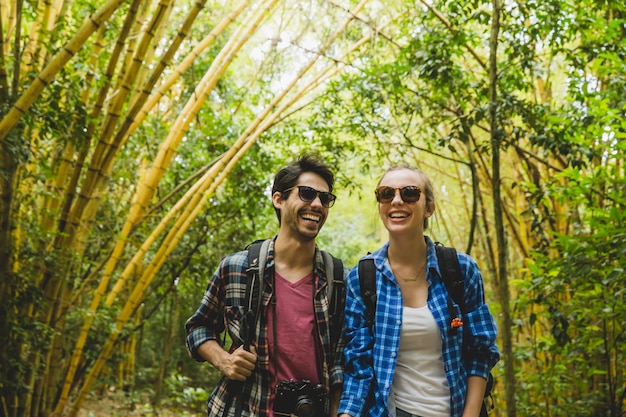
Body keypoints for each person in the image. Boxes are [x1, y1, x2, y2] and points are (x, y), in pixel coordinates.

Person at [185, 154, 346, 417]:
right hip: (246, 409)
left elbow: (343, 360)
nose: (317, 204)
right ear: (279, 199)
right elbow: (197, 328)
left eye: (325, 198)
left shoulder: (339, 279)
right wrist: (224, 361)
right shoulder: (236, 268)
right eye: (306, 194)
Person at [338, 165, 500, 417]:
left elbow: (480, 352)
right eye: (386, 194)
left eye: (410, 193)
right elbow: (359, 366)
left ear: (429, 207)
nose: (397, 201)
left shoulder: (460, 270)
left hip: (453, 409)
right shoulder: (363, 277)